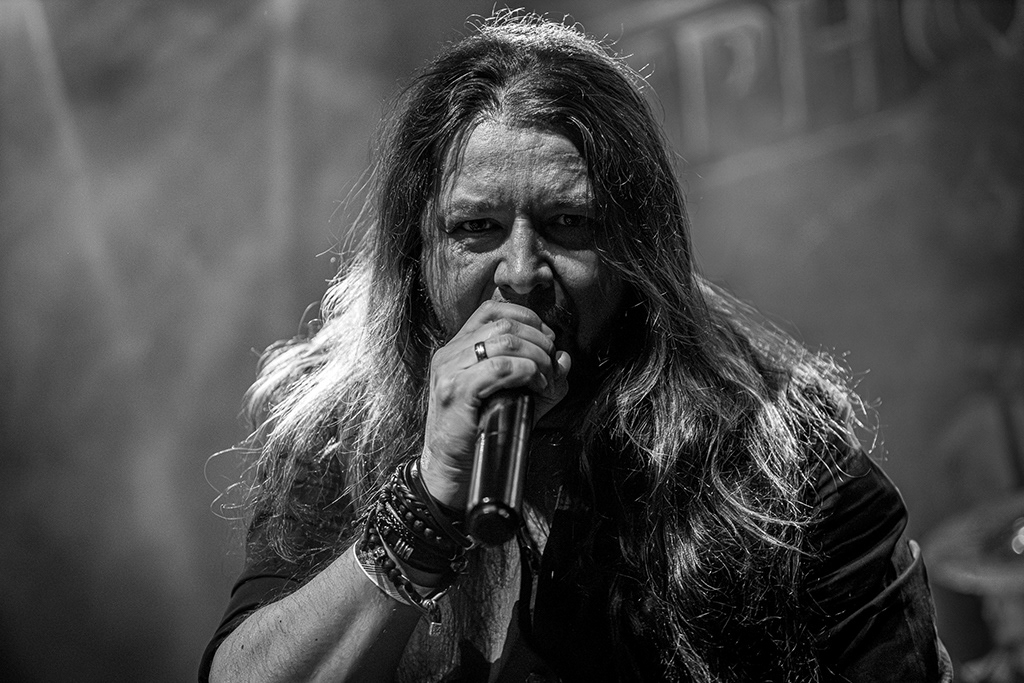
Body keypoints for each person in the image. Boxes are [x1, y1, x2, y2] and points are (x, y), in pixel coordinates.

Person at [201, 11, 952, 683]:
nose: (521, 272)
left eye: (567, 225)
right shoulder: (334, 439)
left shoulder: (788, 474)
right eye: (477, 228)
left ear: (636, 253)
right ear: (414, 254)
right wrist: (426, 499)